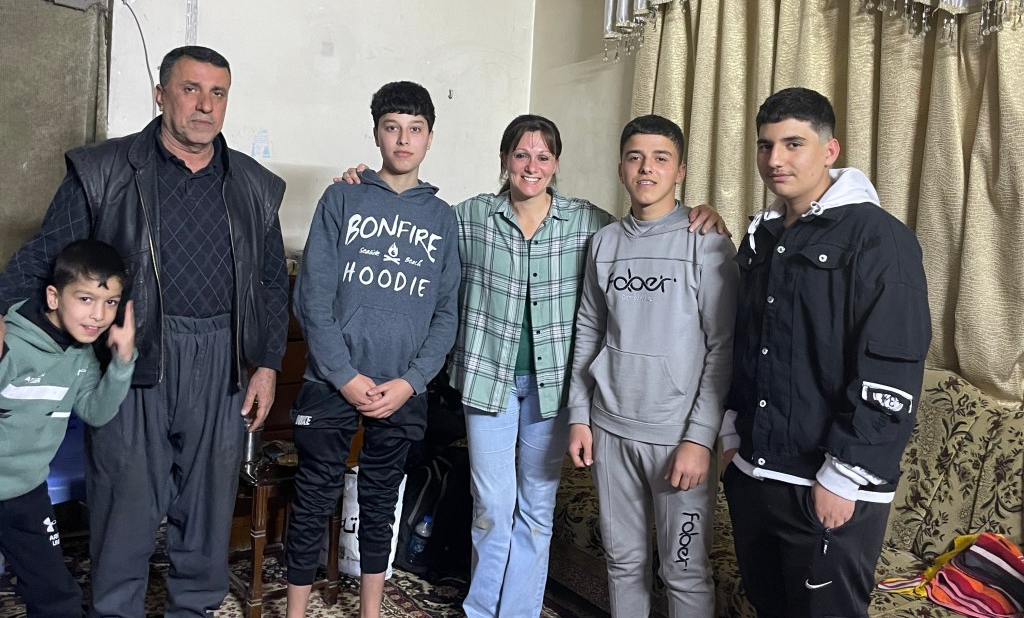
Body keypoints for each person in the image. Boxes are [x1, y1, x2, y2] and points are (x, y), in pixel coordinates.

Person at [340, 113, 726, 618]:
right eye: (521, 154)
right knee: (492, 507)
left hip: (553, 388)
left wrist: (703, 213)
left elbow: (649, 228)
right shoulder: (471, 217)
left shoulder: (589, 223)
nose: (531, 166)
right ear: (505, 160)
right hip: (488, 382)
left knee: (537, 509)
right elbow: (415, 221)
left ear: (556, 163)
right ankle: (483, 610)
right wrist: (368, 188)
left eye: (543, 156)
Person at [0, 45, 289, 618]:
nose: (204, 105)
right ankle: (116, 610)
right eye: (190, 89)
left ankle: (194, 608)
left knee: (207, 507)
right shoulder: (103, 171)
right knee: (126, 504)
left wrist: (268, 363)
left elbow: (271, 284)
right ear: (160, 95)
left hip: (223, 357)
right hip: (131, 354)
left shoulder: (256, 186)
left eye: (218, 93)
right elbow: (42, 258)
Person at [720, 87, 931, 618]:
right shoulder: (763, 236)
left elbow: (893, 366)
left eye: (793, 144)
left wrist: (844, 475)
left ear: (830, 150)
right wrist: (730, 435)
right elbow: (747, 344)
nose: (776, 159)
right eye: (766, 145)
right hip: (754, 473)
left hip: (828, 486)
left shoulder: (879, 238)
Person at [285, 81, 460, 618]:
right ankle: (295, 612)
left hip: (401, 387)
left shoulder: (443, 218)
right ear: (377, 133)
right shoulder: (342, 198)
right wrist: (343, 375)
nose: (403, 140)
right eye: (392, 128)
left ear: (430, 137)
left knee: (381, 504)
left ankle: (370, 612)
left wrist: (410, 382)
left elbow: (446, 313)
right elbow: (311, 296)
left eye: (415, 129)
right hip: (331, 381)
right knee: (313, 498)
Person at [566, 115, 738, 618]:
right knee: (623, 563)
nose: (647, 168)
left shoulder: (706, 242)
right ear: (621, 168)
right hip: (610, 430)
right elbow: (589, 331)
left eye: (661, 158)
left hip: (678, 439)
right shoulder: (605, 243)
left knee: (683, 571)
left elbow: (722, 348)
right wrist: (579, 415)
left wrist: (699, 438)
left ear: (680, 170)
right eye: (635, 157)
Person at [0, 239, 136, 618]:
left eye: (110, 302)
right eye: (86, 299)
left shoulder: (81, 356)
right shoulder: (11, 342)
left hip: (27, 493)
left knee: (58, 599)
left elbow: (96, 411)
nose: (98, 315)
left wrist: (123, 361)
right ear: (54, 296)